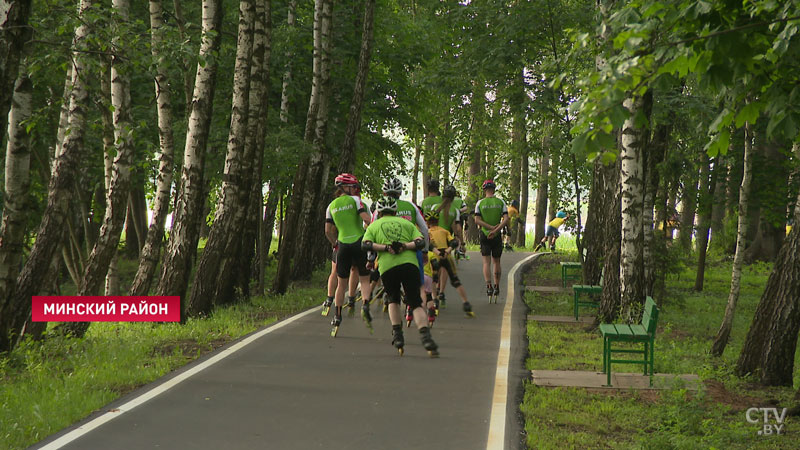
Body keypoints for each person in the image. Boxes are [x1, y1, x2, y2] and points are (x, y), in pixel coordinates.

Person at [362, 196, 439, 357]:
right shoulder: (407, 224)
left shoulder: (374, 225)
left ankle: (398, 335)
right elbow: (420, 242)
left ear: (380, 212)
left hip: (388, 267)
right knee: (415, 302)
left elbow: (366, 245)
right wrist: (404, 246)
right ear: (395, 211)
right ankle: (426, 336)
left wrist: (385, 247)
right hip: (409, 265)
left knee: (393, 299)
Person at [378, 177, 433, 327]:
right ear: (400, 192)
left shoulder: (381, 207)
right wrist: (425, 250)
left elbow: (371, 229)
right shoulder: (411, 206)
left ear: (384, 192)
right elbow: (425, 229)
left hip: (388, 252)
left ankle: (392, 305)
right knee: (419, 286)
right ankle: (416, 312)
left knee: (392, 287)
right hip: (411, 249)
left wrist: (371, 257)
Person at [324, 173, 373, 336]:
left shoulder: (331, 206)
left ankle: (337, 316)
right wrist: (374, 226)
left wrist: (335, 243)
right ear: (344, 187)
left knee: (341, 283)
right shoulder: (356, 200)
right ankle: (365, 305)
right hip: (359, 242)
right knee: (364, 278)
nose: (354, 189)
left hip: (343, 245)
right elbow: (366, 219)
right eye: (352, 187)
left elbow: (328, 231)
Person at [426, 211, 474, 317]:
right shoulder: (444, 230)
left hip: (434, 256)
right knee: (455, 280)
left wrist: (437, 252)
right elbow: (454, 242)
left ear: (427, 222)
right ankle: (466, 304)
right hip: (446, 255)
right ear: (438, 221)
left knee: (433, 280)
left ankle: (435, 300)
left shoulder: (427, 232)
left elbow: (428, 245)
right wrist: (447, 250)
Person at [474, 179, 509, 300]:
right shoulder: (501, 202)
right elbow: (506, 219)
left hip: (484, 234)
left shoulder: (480, 203)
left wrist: (489, 228)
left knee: (486, 262)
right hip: (497, 235)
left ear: (484, 190)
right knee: (497, 262)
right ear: (494, 189)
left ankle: (488, 286)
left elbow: (477, 220)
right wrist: (496, 229)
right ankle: (497, 285)